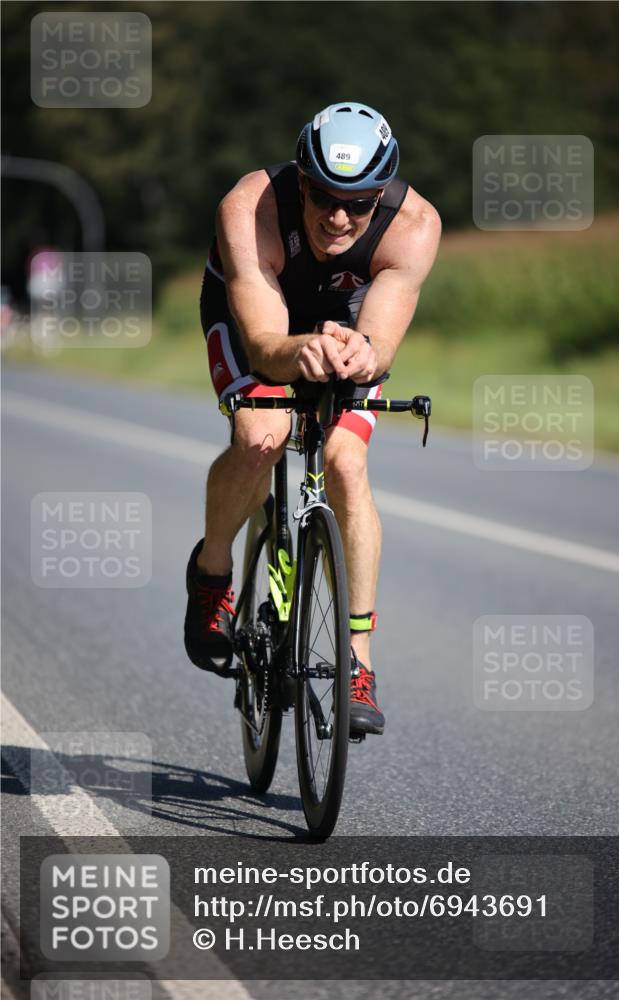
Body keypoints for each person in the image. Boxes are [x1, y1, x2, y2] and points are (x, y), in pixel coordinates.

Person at [185, 101, 441, 735]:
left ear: (381, 195)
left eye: (359, 203)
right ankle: (213, 570)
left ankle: (357, 661)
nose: (338, 216)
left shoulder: (414, 226)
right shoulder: (249, 210)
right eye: (323, 195)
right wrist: (302, 350)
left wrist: (361, 352)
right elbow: (268, 347)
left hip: (344, 320)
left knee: (346, 463)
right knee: (260, 435)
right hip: (258, 319)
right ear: (301, 180)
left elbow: (380, 342)